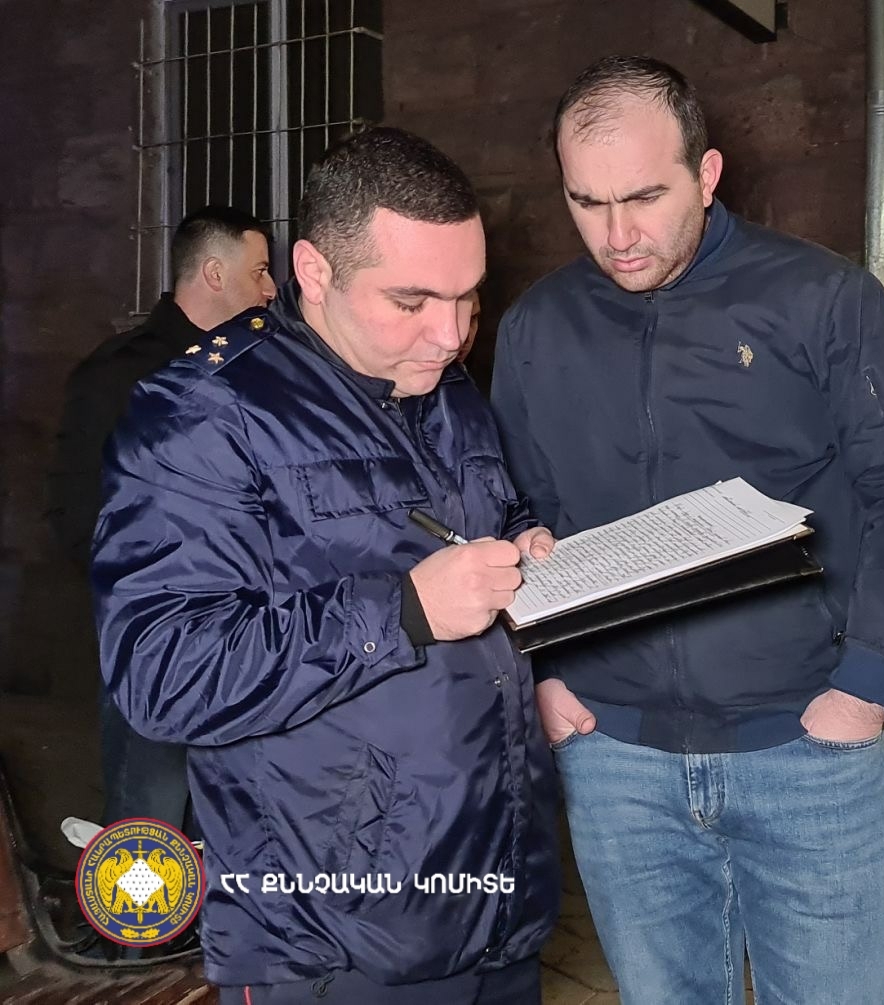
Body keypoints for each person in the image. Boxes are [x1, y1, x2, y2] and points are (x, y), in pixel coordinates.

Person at [491, 55, 884, 1004]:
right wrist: (543, 674)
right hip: (616, 757)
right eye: (587, 203)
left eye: (645, 197)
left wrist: (865, 688)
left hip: (805, 746)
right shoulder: (537, 327)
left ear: (707, 174)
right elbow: (516, 513)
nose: (618, 235)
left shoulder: (822, 299)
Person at [92, 127, 560, 1004]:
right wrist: (402, 612)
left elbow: (490, 511)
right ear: (313, 271)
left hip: (495, 895)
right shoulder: (202, 415)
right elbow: (161, 672)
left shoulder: (443, 381)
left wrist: (525, 541)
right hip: (330, 937)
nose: (450, 334)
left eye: (468, 297)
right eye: (412, 300)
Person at [47, 205, 274, 851]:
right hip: (160, 641)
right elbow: (75, 512)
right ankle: (133, 919)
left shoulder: (260, 371)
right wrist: (145, 602)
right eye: (259, 271)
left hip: (254, 639)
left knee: (231, 825)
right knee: (150, 824)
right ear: (214, 273)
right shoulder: (120, 375)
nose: (270, 289)